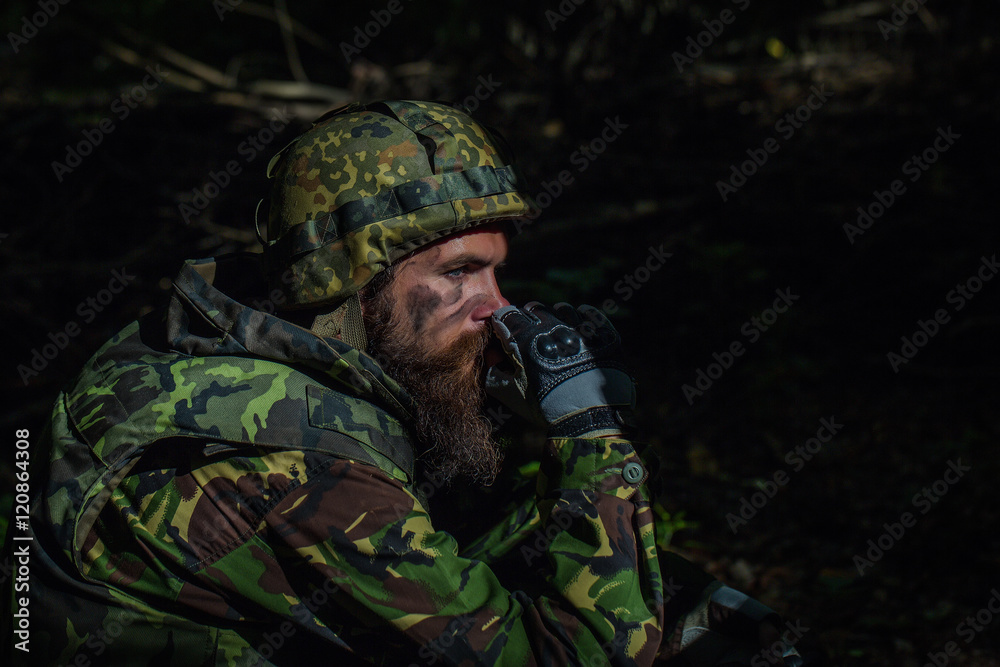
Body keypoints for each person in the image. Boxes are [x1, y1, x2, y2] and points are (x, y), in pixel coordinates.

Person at [8, 100, 801, 665]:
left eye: (497, 272)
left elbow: (438, 533)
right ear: (348, 280)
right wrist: (589, 439)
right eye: (460, 274)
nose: (499, 307)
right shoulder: (292, 465)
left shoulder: (218, 325)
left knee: (699, 615)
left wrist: (517, 424)